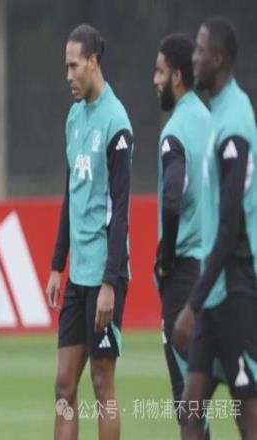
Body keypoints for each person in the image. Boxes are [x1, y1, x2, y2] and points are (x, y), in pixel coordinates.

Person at [46, 24, 133, 440]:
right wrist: (56, 264)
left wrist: (110, 283)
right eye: (66, 67)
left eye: (74, 66)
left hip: (103, 277)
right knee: (64, 385)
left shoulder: (116, 122)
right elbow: (71, 194)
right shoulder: (73, 118)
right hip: (77, 276)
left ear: (93, 63)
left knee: (102, 384)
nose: (68, 75)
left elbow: (120, 210)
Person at [172, 17, 257, 439]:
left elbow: (230, 226)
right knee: (191, 407)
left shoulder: (234, 124)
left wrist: (191, 305)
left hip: (237, 287)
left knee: (247, 417)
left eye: (201, 51)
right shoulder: (218, 114)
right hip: (214, 291)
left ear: (218, 59)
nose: (194, 58)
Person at [152, 34, 212, 437]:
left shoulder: (174, 131)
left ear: (176, 75)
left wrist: (165, 259)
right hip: (220, 269)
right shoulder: (213, 121)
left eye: (159, 71)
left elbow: (172, 199)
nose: (154, 80)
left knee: (187, 400)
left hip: (186, 275)